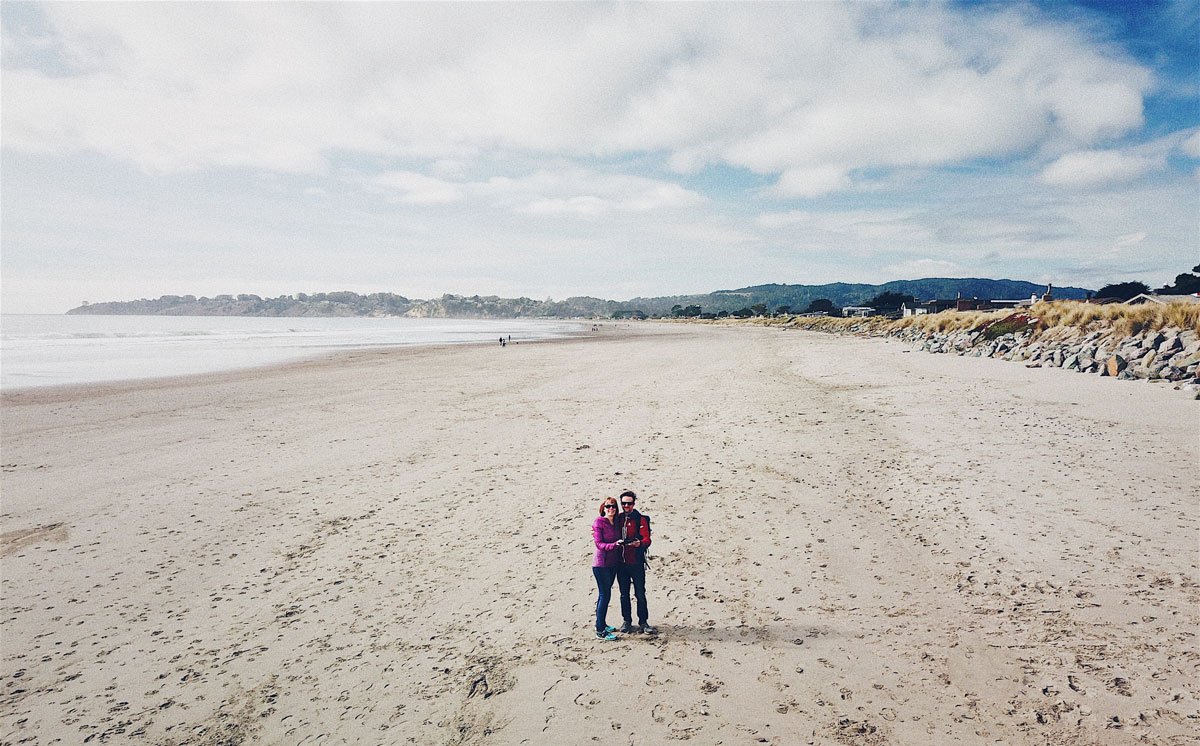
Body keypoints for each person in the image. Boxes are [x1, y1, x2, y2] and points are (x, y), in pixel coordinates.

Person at [615, 490, 657, 634]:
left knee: (640, 593)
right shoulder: (617, 518)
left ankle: (643, 622)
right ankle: (627, 621)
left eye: (629, 503)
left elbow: (647, 539)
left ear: (634, 503)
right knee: (623, 594)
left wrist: (639, 543)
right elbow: (603, 519)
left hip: (637, 563)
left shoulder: (641, 519)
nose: (626, 506)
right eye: (624, 503)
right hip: (621, 563)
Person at [591, 497, 623, 641]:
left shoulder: (616, 522)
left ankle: (601, 623)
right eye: (608, 506)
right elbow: (599, 544)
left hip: (613, 563)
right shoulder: (599, 522)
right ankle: (600, 631)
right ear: (603, 508)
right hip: (601, 564)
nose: (611, 509)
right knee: (605, 595)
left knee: (603, 594)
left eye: (614, 506)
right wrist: (614, 545)